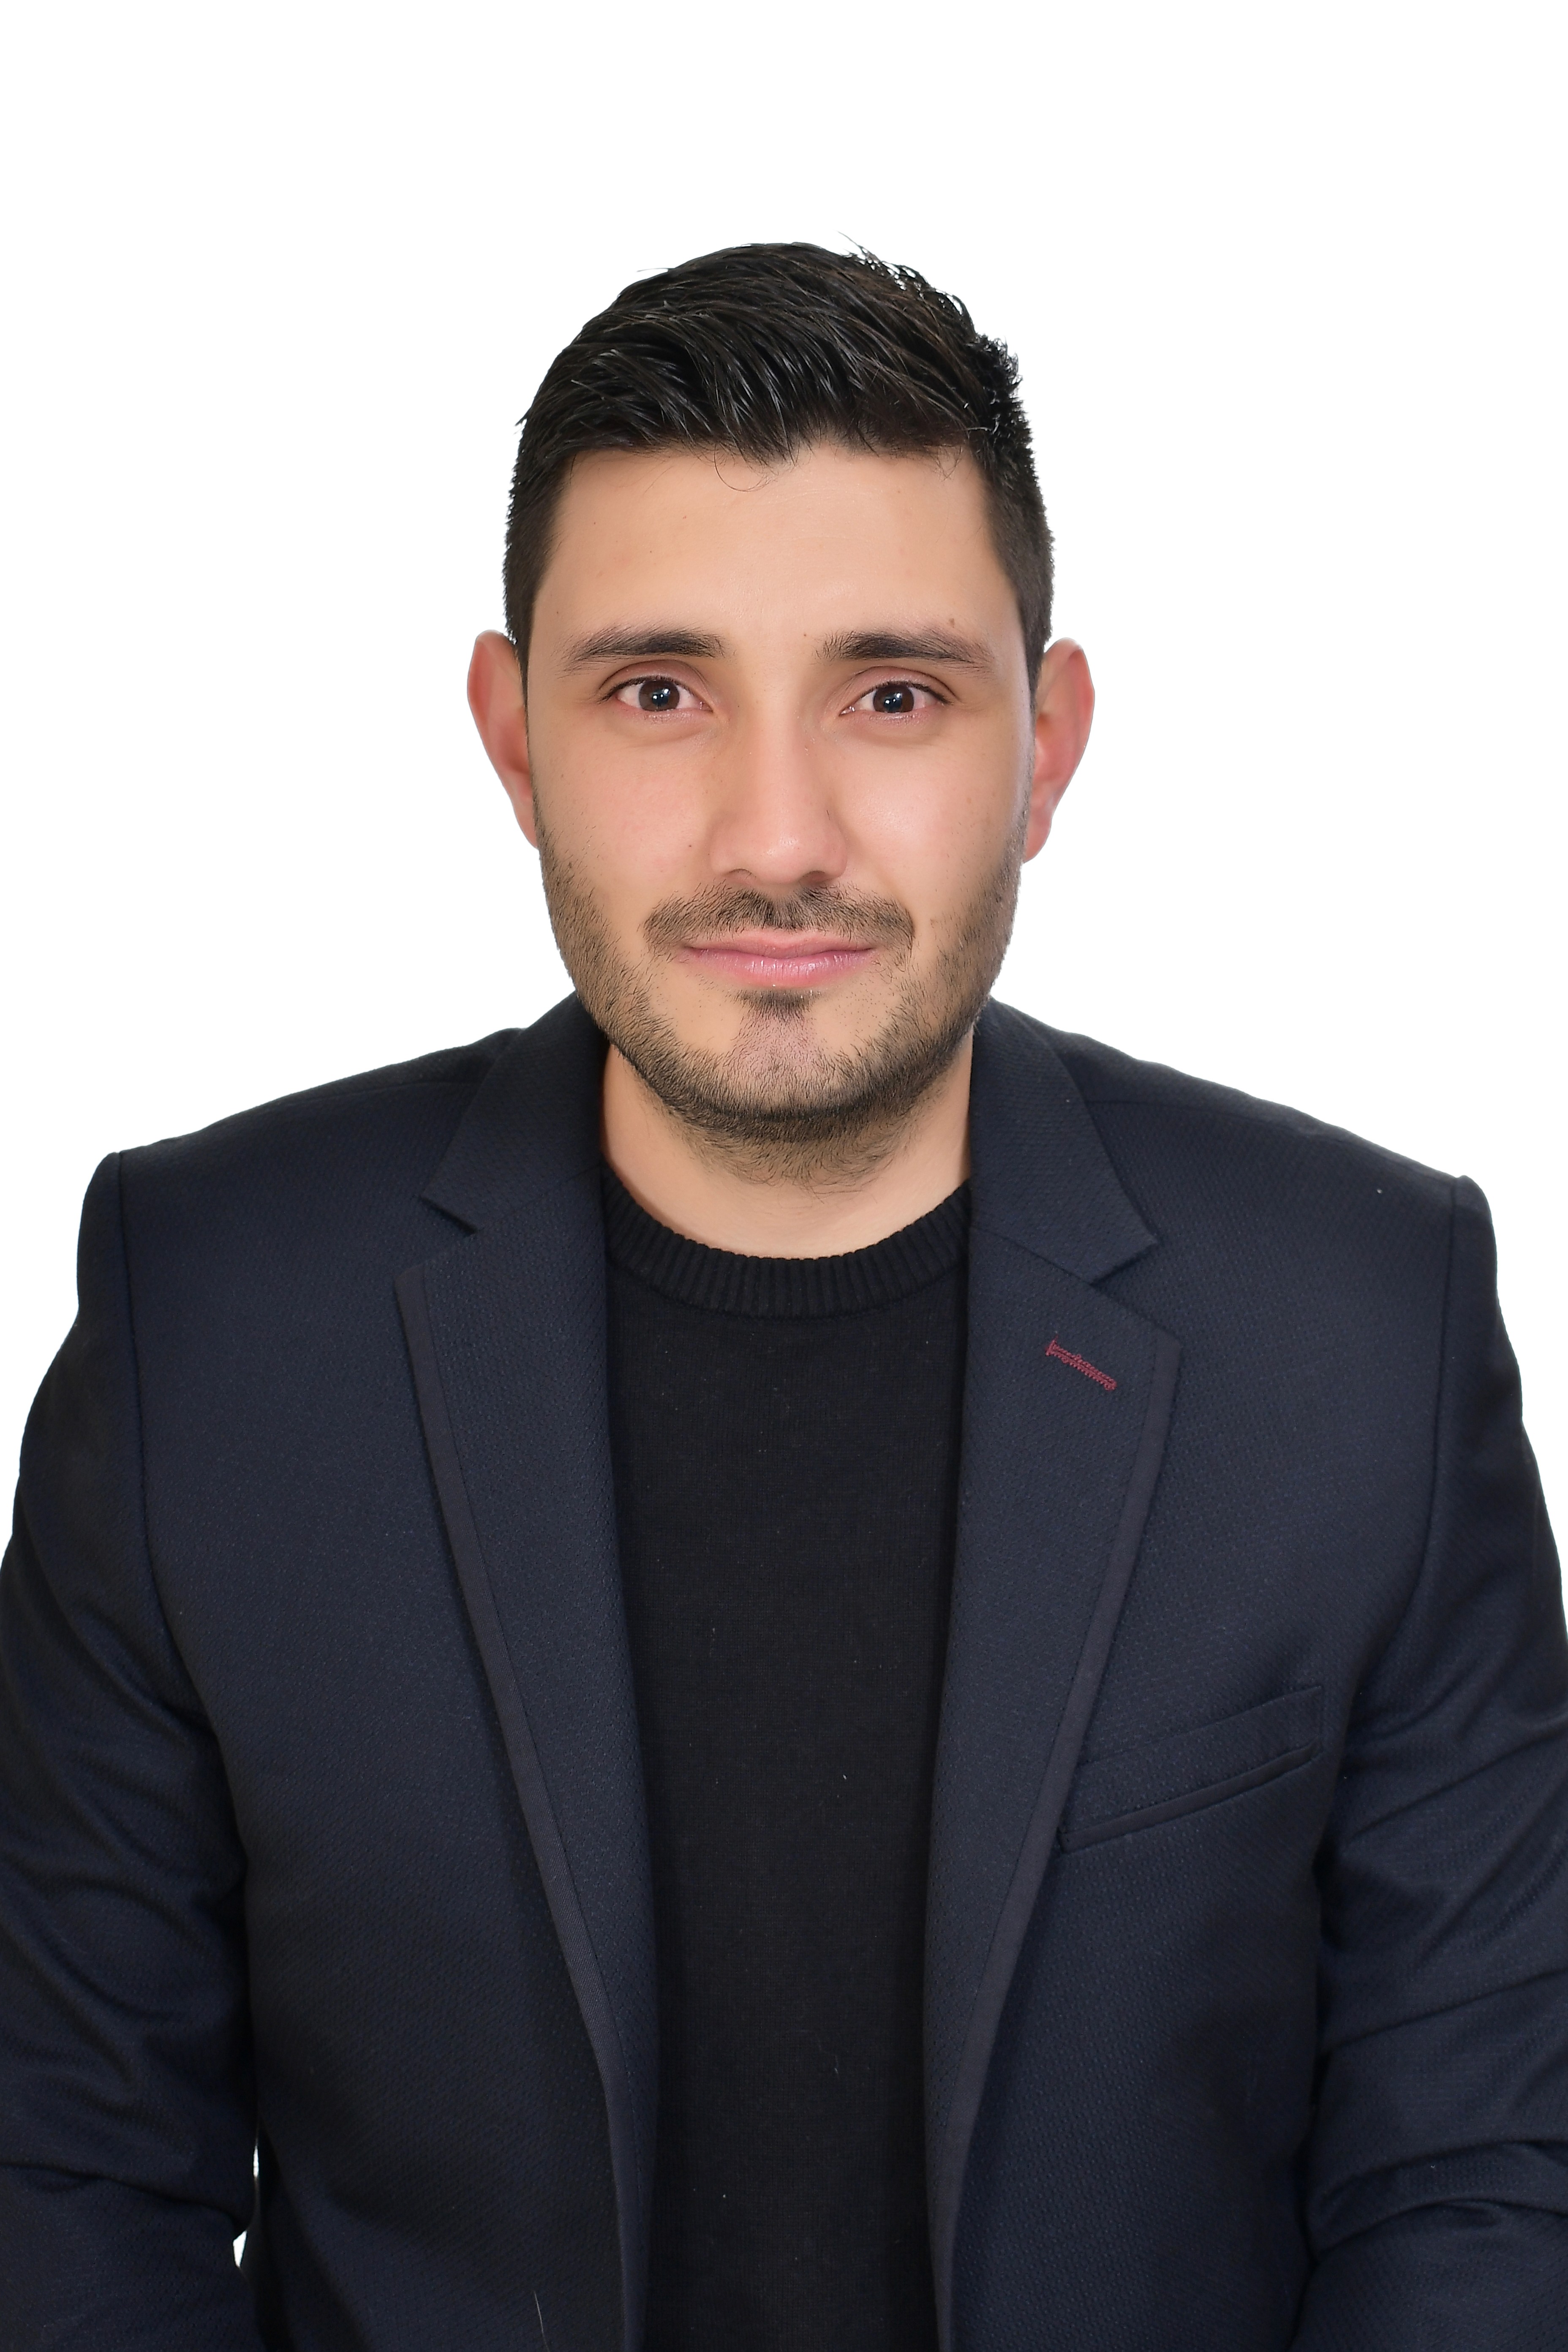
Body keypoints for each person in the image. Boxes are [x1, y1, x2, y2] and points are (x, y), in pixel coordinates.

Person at [1, 242, 1564, 2352]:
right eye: (660, 691)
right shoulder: (212, 1320)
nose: (777, 836)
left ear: (1046, 744)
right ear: (513, 739)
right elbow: (71, 2173)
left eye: (891, 693)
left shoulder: (1359, 1328)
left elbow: (1474, 2182)